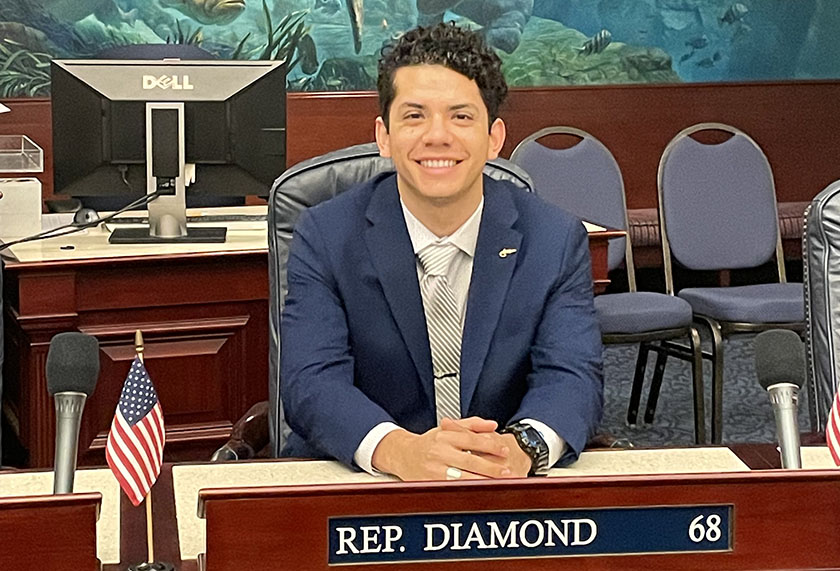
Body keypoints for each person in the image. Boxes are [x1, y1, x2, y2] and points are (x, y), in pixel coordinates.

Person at [280, 22, 603, 481]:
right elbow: (311, 382)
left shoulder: (554, 237)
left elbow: (573, 378)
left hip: (500, 491)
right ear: (384, 136)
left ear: (494, 138)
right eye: (414, 116)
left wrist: (521, 448)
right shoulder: (326, 234)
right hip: (363, 489)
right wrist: (400, 451)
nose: (437, 136)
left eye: (461, 116)